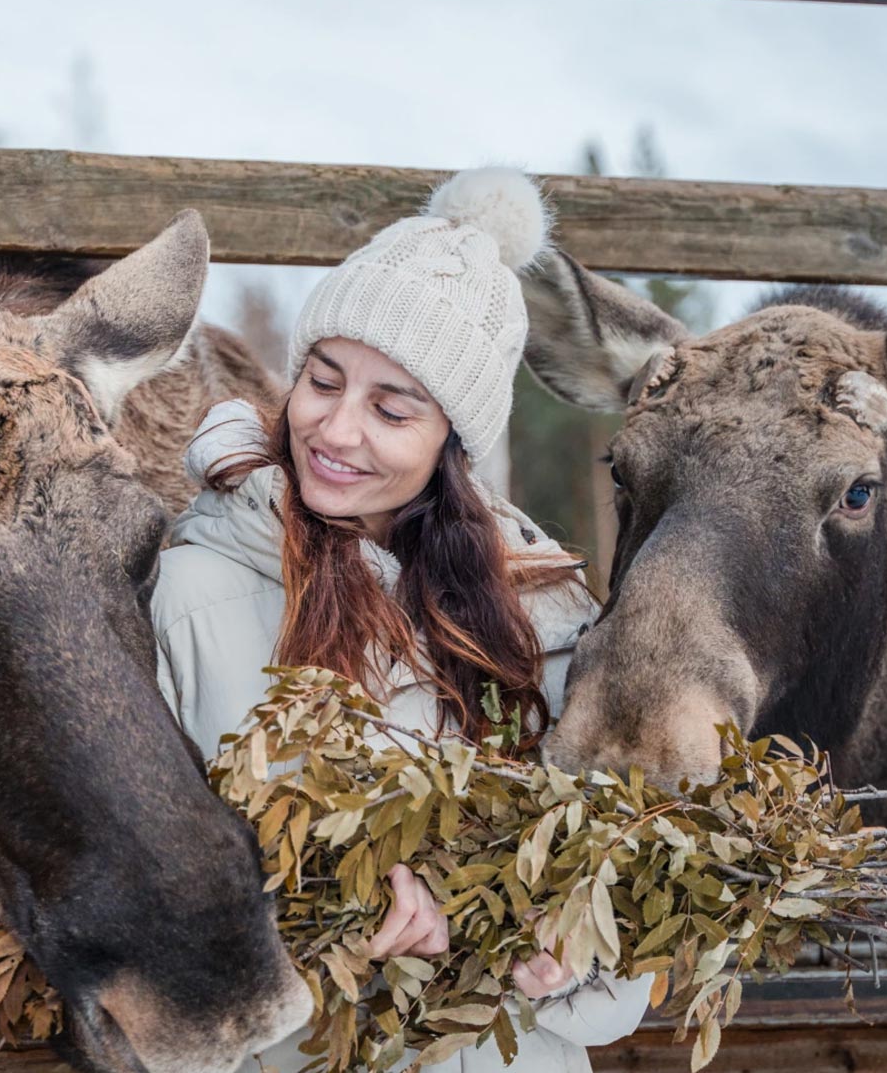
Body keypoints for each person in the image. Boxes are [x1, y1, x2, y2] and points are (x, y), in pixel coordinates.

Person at [151, 167, 652, 1072]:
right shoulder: (187, 595)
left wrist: (562, 958)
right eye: (323, 380)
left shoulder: (546, 615)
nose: (337, 431)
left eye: (390, 408)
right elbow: (140, 904)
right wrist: (318, 925)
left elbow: (621, 986)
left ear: (451, 445)